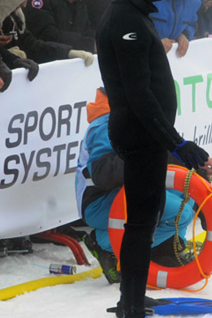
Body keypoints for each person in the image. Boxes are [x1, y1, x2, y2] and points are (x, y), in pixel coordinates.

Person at [95, 0, 212, 318]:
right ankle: (132, 317)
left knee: (147, 218)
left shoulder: (135, 15)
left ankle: (134, 298)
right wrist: (178, 143)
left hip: (145, 132)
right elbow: (138, 95)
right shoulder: (125, 20)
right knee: (142, 224)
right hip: (139, 133)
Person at [76, 88, 197, 284]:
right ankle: (103, 244)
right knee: (179, 213)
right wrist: (149, 155)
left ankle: (164, 250)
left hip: (128, 190)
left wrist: (197, 165)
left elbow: (167, 155)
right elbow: (104, 174)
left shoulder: (138, 116)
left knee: (185, 194)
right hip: (100, 201)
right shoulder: (104, 124)